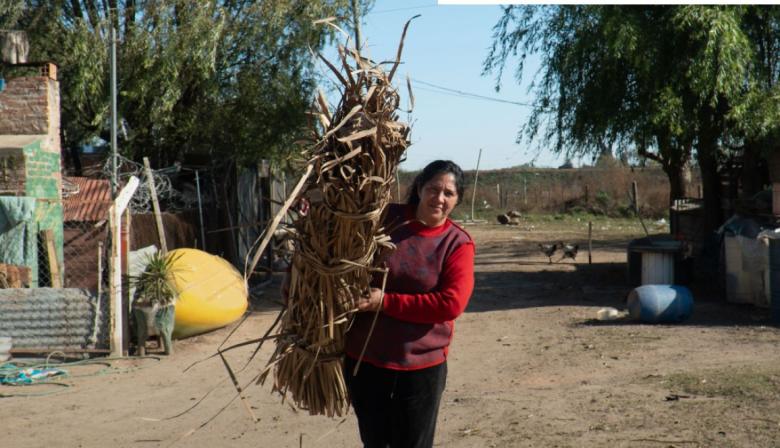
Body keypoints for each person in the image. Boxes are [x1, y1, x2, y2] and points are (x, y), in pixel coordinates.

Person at [343, 159, 475, 448]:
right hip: (365, 360)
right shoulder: (384, 219)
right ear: (419, 187)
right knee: (375, 442)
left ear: (457, 200)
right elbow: (338, 245)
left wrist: (384, 302)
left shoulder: (456, 243)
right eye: (433, 188)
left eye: (448, 193)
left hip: (420, 370)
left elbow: (450, 304)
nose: (438, 198)